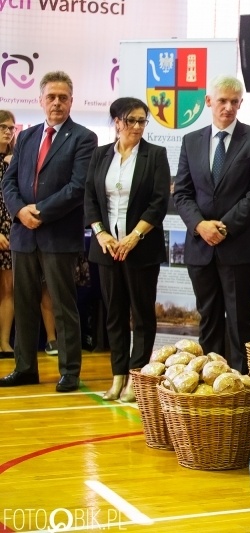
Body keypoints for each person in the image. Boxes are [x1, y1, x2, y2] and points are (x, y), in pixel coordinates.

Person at [0, 71, 98, 391]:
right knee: (24, 303)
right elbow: (9, 182)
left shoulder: (84, 137)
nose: (57, 103)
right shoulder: (25, 137)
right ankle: (25, 368)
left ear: (72, 101)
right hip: (24, 235)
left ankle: (69, 371)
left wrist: (38, 212)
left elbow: (77, 187)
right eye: (51, 97)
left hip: (58, 235)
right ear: (39, 100)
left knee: (61, 305)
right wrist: (20, 211)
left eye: (63, 97)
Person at [172, 75, 250, 373]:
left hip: (238, 246)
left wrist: (223, 227)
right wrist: (201, 226)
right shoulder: (191, 141)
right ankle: (210, 385)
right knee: (208, 320)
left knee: (240, 322)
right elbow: (183, 193)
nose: (228, 107)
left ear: (241, 103)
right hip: (200, 247)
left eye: (234, 101)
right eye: (222, 100)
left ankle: (241, 386)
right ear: (208, 101)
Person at [85, 97, 170, 401]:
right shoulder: (99, 155)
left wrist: (135, 235)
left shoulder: (155, 155)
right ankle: (117, 375)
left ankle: (137, 376)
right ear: (117, 122)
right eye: (130, 120)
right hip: (107, 249)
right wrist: (101, 234)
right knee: (114, 314)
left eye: (142, 121)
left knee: (142, 314)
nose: (136, 127)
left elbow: (159, 202)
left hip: (140, 248)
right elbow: (90, 199)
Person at [0, 110, 15, 359]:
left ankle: (4, 343)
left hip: (10, 229)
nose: (8, 131)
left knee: (8, 289)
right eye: (3, 126)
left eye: (11, 128)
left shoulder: (16, 159)